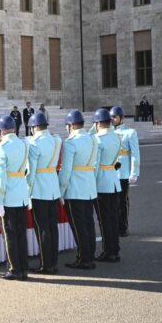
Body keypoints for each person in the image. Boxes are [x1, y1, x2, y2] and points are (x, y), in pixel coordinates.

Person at [0, 115, 31, 281]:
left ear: (1, 131)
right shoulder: (23, 144)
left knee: (10, 235)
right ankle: (24, 269)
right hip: (22, 193)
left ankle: (14, 269)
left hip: (8, 196)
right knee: (21, 234)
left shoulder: (1, 147)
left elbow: (1, 177)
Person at [58, 109, 98, 270]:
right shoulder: (92, 139)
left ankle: (84, 259)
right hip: (89, 187)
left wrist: (61, 192)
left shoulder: (71, 142)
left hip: (75, 190)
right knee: (88, 223)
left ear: (71, 125)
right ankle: (90, 254)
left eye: (67, 126)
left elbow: (66, 171)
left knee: (79, 226)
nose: (67, 128)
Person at [26, 112, 62, 274]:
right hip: (53, 187)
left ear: (34, 127)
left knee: (42, 228)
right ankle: (53, 261)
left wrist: (27, 191)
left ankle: (46, 264)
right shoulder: (56, 140)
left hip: (39, 190)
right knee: (52, 227)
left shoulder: (34, 143)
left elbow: (31, 171)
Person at [91, 108, 123, 263]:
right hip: (114, 180)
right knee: (113, 218)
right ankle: (115, 249)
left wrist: (92, 183)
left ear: (97, 124)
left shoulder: (97, 140)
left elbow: (96, 165)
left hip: (102, 183)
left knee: (104, 220)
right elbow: (117, 161)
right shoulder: (117, 137)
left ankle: (108, 251)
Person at [109, 106, 139, 237]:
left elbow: (135, 154)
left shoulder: (130, 132)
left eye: (114, 117)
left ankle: (123, 226)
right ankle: (114, 226)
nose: (112, 119)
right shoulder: (108, 132)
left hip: (123, 173)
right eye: (111, 117)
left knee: (122, 201)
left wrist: (134, 172)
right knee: (111, 202)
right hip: (110, 173)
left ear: (121, 118)